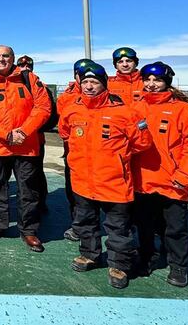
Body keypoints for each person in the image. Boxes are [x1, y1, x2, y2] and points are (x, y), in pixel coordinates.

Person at [59, 62, 152, 289]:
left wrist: (118, 158)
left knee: (118, 227)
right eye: (86, 82)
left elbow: (143, 142)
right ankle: (89, 254)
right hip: (82, 181)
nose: (90, 87)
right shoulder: (72, 109)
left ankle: (119, 264)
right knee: (85, 222)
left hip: (115, 183)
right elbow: (64, 132)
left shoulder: (125, 112)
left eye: (95, 82)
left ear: (104, 84)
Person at [132, 61, 188, 288]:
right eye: (147, 80)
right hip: (142, 181)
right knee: (144, 225)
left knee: (175, 228)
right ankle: (147, 257)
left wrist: (184, 176)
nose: (152, 84)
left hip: (173, 182)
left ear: (167, 82)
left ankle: (178, 266)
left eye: (157, 80)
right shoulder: (135, 108)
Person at [0, 45, 50, 252]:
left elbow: (43, 107)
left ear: (13, 58)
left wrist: (23, 132)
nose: (1, 59)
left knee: (28, 190)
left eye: (5, 56)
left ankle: (29, 230)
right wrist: (6, 134)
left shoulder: (29, 79)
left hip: (26, 146)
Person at [58, 58, 94, 242]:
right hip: (74, 152)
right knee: (74, 190)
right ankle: (78, 224)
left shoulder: (106, 94)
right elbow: (62, 125)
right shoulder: (66, 98)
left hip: (101, 154)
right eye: (82, 75)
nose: (87, 82)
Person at [16, 55, 53, 214]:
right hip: (14, 139)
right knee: (21, 177)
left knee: (35, 174)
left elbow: (51, 115)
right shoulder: (14, 85)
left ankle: (39, 203)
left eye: (28, 66)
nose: (25, 68)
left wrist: (34, 128)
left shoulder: (40, 86)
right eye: (21, 66)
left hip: (35, 139)